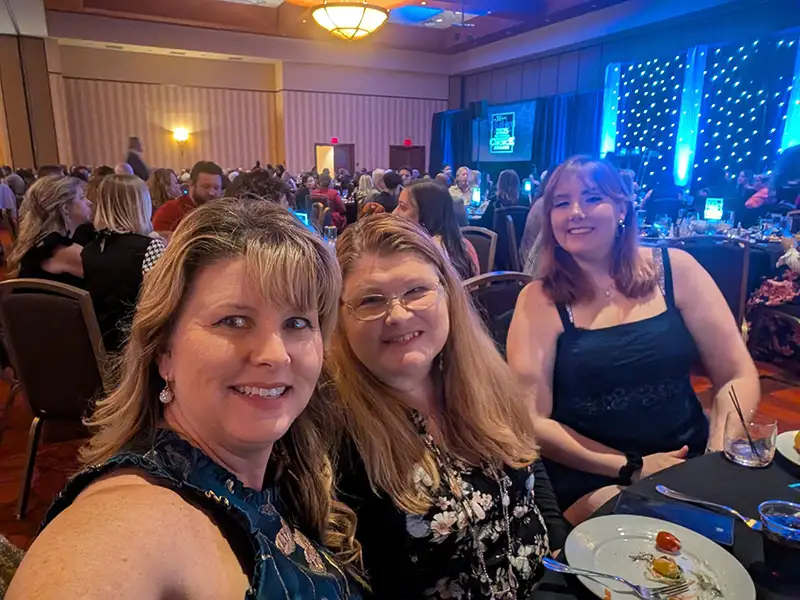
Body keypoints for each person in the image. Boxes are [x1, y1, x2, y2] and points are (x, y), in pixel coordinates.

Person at [7, 200, 363, 600]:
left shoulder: (287, 469)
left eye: (297, 323)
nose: (276, 354)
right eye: (234, 321)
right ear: (164, 351)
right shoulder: (132, 517)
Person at [506, 156, 760, 524]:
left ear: (622, 208)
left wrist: (715, 457)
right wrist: (632, 467)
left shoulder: (676, 270)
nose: (575, 211)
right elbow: (530, 420)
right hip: (594, 474)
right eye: (561, 203)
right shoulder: (538, 300)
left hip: (690, 457)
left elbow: (738, 374)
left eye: (592, 198)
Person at [328, 214, 565, 600]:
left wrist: (558, 545)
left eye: (417, 290)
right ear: (340, 316)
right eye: (370, 300)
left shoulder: (483, 372)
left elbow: (528, 461)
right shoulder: (339, 437)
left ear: (447, 294)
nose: (399, 314)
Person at [81, 175, 166, 353]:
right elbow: (161, 304)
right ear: (140, 205)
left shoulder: (90, 250)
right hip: (138, 349)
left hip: (101, 347)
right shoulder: (149, 248)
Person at [8, 176, 92, 288]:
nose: (89, 202)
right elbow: (113, 281)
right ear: (65, 208)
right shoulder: (62, 251)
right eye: (82, 197)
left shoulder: (37, 243)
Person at [394, 181, 479, 280]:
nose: (394, 213)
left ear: (427, 215)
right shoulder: (464, 245)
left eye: (403, 207)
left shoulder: (425, 254)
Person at [152, 161, 223, 233]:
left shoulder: (222, 213)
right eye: (206, 187)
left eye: (216, 188)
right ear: (191, 184)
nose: (212, 193)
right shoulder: (169, 211)